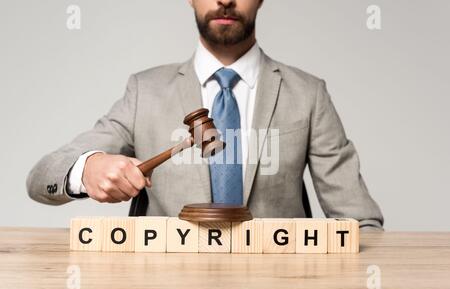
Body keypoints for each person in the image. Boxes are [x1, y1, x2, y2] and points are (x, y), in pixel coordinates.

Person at [26, 0, 384, 230]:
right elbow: (41, 178)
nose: (225, 1)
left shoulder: (308, 93)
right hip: (168, 288)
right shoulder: (144, 91)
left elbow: (362, 222)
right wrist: (87, 169)